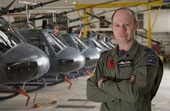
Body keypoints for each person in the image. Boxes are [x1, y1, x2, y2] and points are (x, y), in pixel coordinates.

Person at [86, 7, 163, 111]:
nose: (121, 30)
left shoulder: (147, 56)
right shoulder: (105, 57)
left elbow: (134, 93)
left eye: (126, 25)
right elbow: (91, 92)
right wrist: (123, 92)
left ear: (136, 25)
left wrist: (104, 84)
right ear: (112, 27)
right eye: (117, 25)